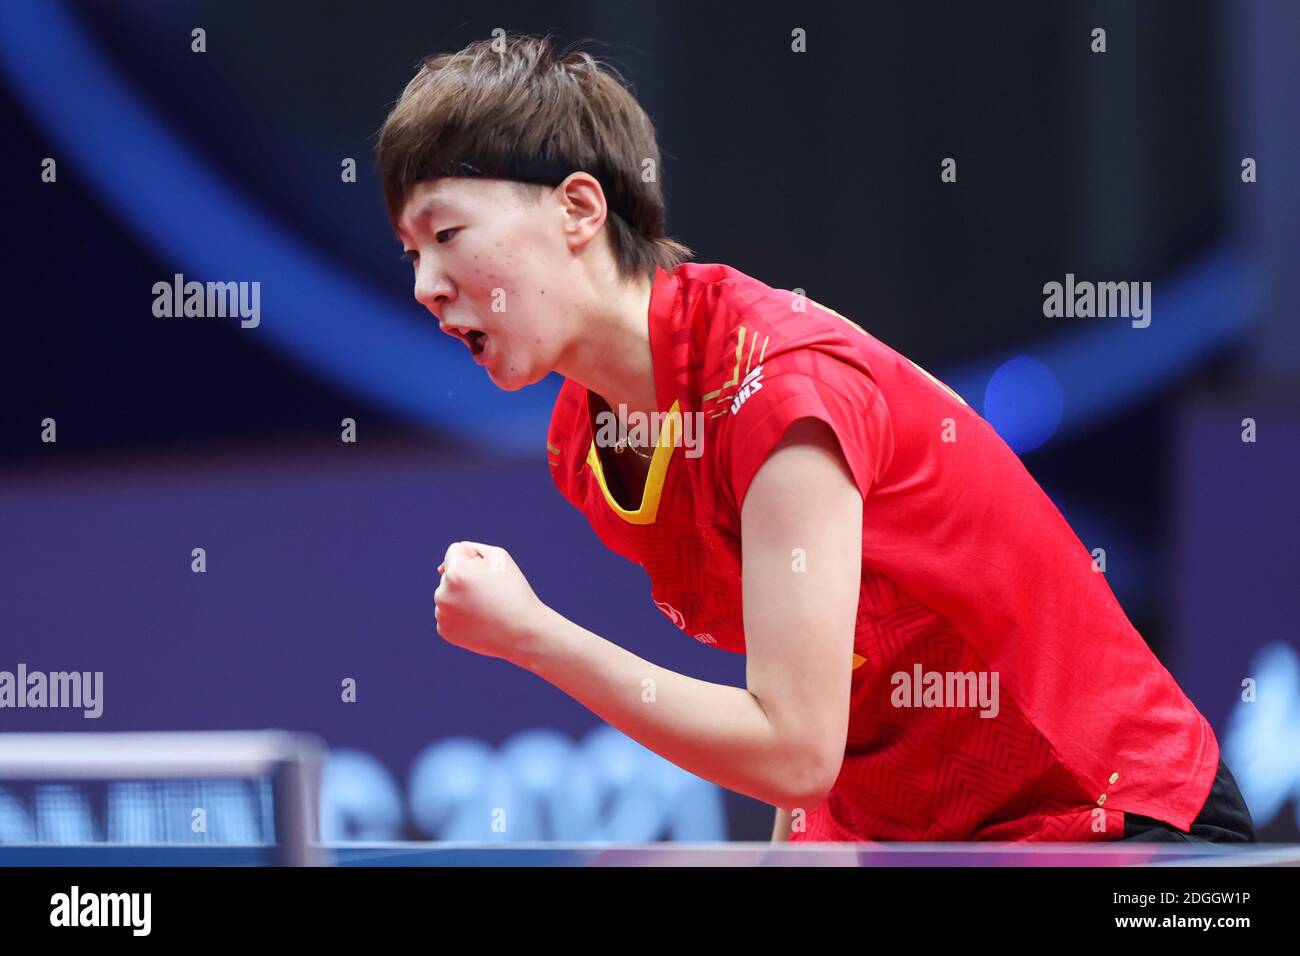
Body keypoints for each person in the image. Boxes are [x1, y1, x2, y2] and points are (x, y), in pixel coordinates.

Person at [376, 34, 1255, 843]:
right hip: (926, 845)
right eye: (411, 254)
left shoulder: (780, 387)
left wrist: (534, 636)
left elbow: (794, 748)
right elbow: (809, 724)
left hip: (1117, 824)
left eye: (446, 235)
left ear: (578, 209)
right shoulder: (590, 445)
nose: (426, 285)